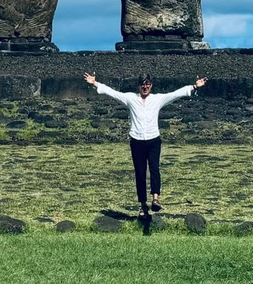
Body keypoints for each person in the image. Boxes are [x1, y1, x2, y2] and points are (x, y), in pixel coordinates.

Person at [83, 71, 207, 216]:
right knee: (140, 173)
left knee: (154, 168)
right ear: (138, 86)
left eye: (147, 84)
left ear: (151, 85)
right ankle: (143, 205)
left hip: (154, 140)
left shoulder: (157, 99)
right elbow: (113, 93)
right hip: (136, 141)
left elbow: (175, 94)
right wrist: (95, 83)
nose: (145, 87)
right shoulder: (130, 98)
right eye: (142, 84)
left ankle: (156, 199)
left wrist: (195, 87)